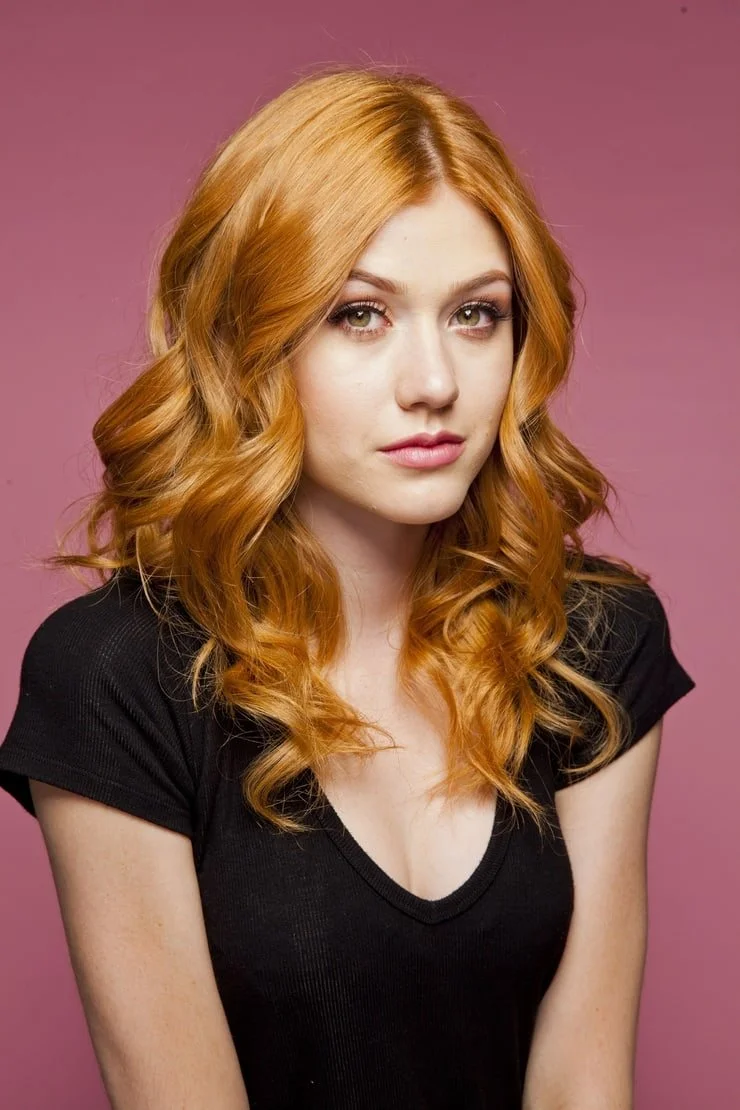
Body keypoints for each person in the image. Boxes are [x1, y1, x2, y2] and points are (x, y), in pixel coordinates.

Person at [0, 64, 696, 1110]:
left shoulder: (590, 640)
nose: (434, 382)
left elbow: (580, 1088)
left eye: (475, 314)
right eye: (359, 315)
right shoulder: (117, 677)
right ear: (249, 341)